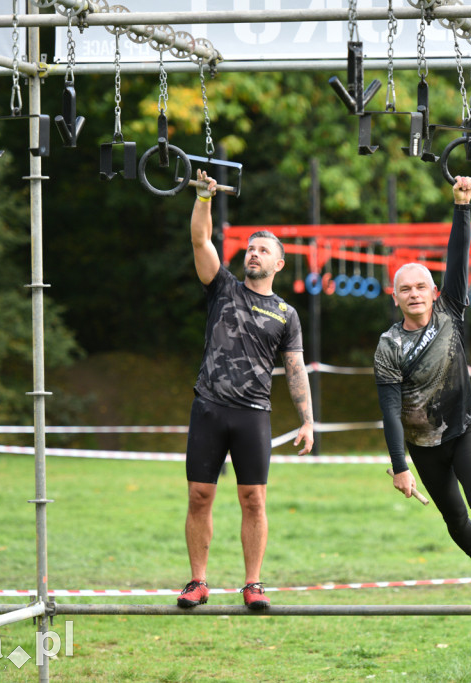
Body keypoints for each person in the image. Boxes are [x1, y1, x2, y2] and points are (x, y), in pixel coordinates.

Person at [373, 176, 471, 614]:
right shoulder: (388, 347)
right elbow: (389, 413)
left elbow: (458, 259)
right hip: (423, 446)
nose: (415, 294)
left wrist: (462, 207)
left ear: (433, 291)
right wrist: (401, 467)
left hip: (461, 429)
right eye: (406, 289)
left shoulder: (450, 313)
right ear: (396, 297)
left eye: (421, 286)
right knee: (455, 518)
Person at [178, 171, 314, 611]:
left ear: (278, 264)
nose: (253, 254)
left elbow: (295, 369)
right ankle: (197, 582)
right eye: (251, 248)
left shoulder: (286, 314)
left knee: (253, 499)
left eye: (264, 251)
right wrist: (203, 199)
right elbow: (201, 242)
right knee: (200, 496)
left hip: (253, 414)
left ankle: (252, 584)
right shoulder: (223, 289)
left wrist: (308, 420)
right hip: (209, 408)